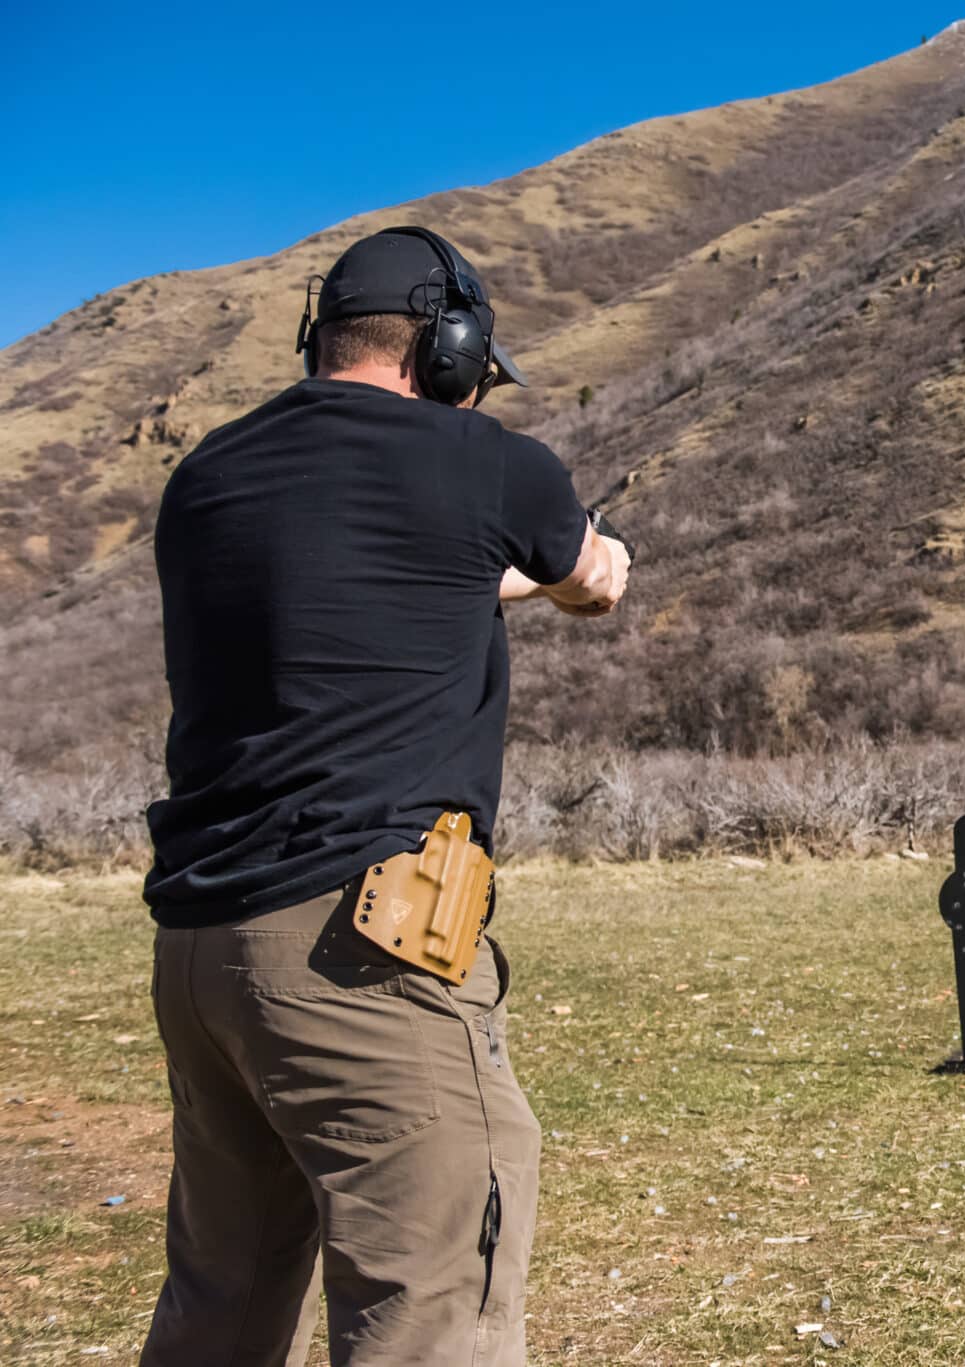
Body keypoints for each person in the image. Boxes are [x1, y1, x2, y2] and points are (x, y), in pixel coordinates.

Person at [139, 225, 630, 1366]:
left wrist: (486, 584)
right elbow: (587, 580)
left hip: (204, 947)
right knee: (432, 1306)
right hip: (361, 948)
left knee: (223, 1296)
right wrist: (587, 565)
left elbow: (362, 600)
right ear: (448, 352)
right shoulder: (493, 465)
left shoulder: (206, 476)